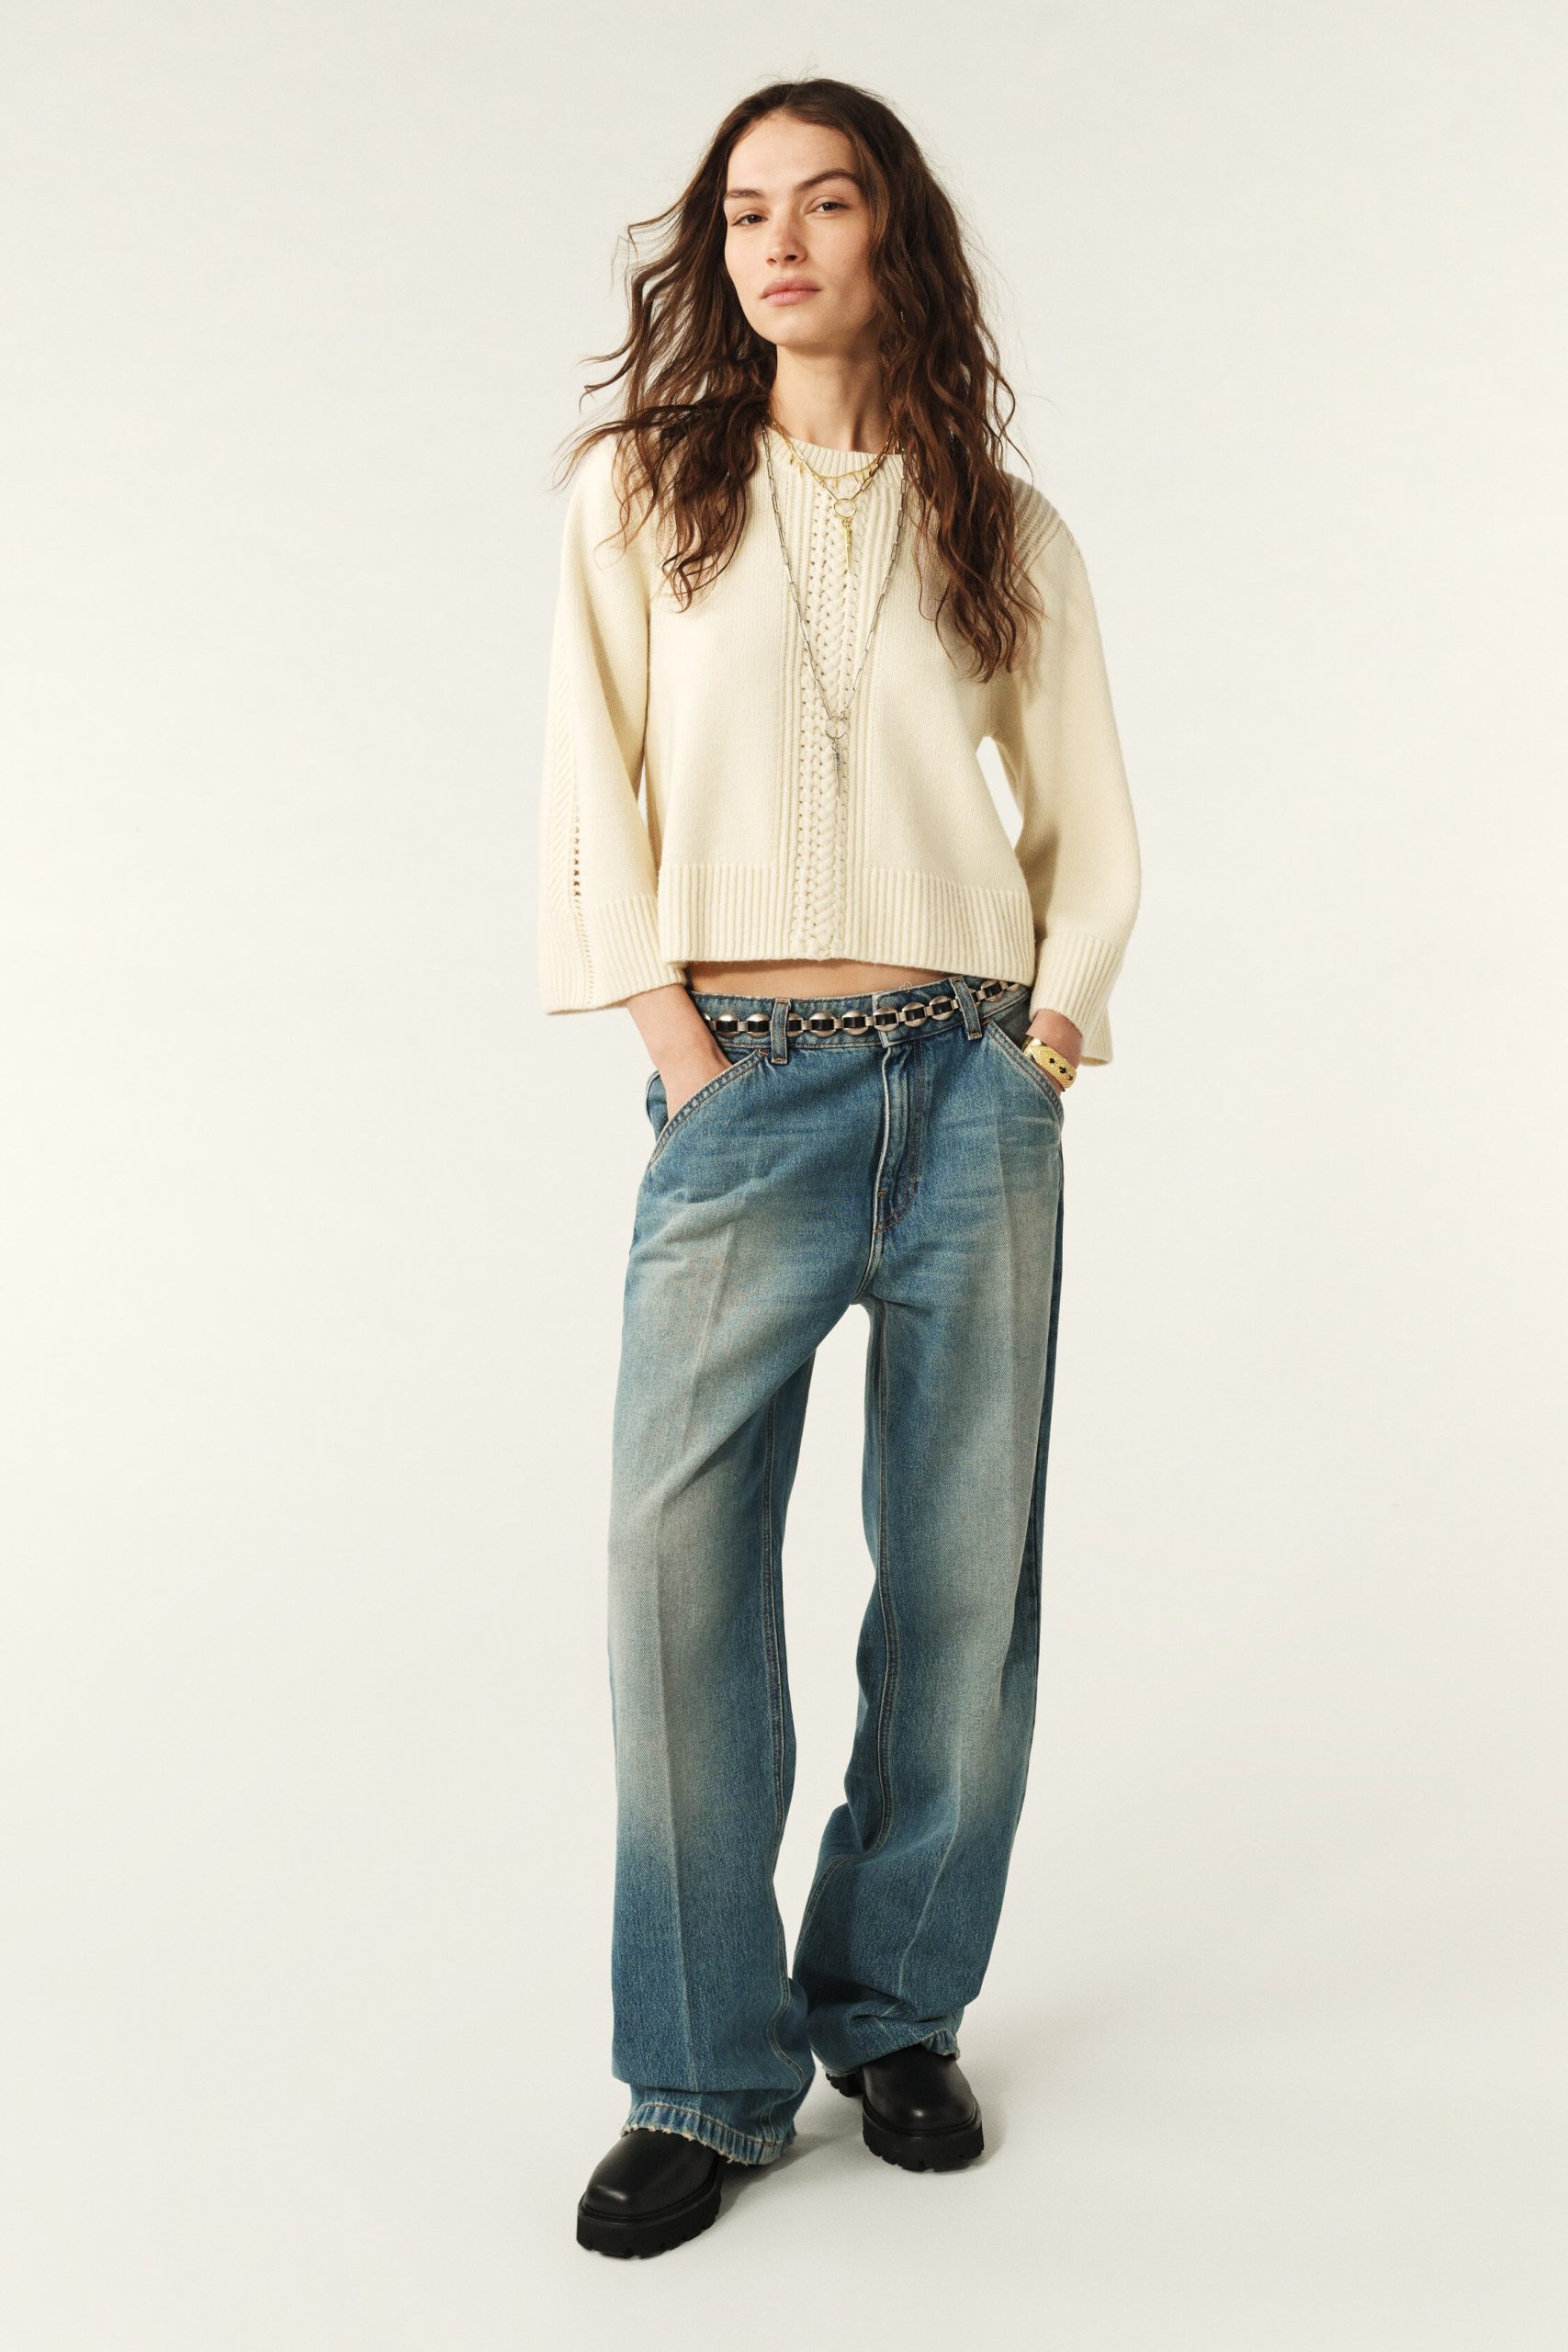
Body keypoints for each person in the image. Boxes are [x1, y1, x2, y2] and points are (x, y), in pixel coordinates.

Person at [536, 79, 1142, 2259]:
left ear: (895, 237)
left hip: (970, 1087)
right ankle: (703, 2073)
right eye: (743, 210)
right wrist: (681, 1054)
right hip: (743, 1094)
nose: (778, 239)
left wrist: (1042, 1042)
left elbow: (1081, 818)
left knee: (960, 1583)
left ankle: (892, 2007)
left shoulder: (999, 521)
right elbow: (587, 791)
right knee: (675, 1575)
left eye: (825, 200)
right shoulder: (641, 493)